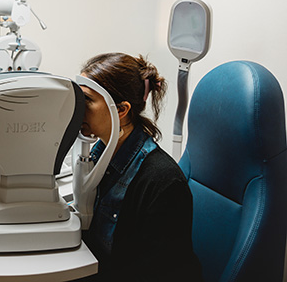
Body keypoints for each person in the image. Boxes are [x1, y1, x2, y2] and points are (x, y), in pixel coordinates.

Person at [77, 52, 202, 281]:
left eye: (86, 100)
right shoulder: (100, 156)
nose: (77, 109)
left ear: (121, 111)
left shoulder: (162, 182)